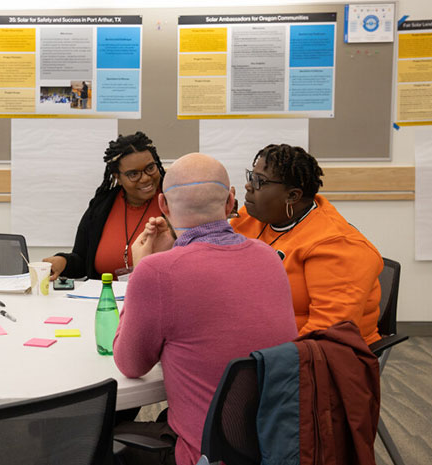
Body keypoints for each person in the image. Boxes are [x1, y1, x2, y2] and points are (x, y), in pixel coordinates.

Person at [113, 153, 298, 465]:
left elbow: (131, 364)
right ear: (230, 203)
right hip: (275, 444)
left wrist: (142, 267)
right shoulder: (268, 256)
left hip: (203, 454)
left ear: (163, 206)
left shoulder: (157, 272)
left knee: (100, 442)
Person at [230, 144, 383, 345]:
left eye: (260, 181)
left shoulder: (338, 246)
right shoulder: (250, 218)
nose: (249, 186)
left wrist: (261, 357)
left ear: (292, 196)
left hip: (319, 358)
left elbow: (326, 334)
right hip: (259, 336)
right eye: (251, 177)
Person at [43, 131, 168, 280]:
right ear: (118, 178)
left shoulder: (175, 202)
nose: (146, 178)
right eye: (133, 174)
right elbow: (82, 260)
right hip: (104, 299)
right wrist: (62, 262)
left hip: (158, 296)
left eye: (150, 168)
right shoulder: (101, 206)